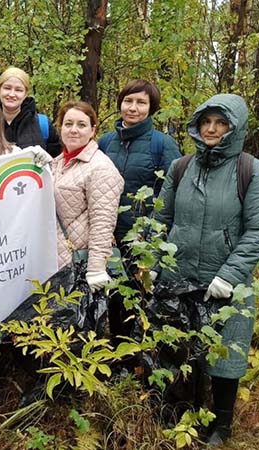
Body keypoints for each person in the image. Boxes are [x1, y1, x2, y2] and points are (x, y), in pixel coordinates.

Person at [154, 94, 259, 446]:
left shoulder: (251, 170)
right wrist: (152, 263)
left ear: (234, 129)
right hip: (177, 279)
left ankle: (221, 426)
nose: (211, 129)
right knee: (177, 348)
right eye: (206, 122)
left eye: (220, 123)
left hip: (227, 283)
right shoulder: (181, 167)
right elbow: (161, 219)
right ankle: (178, 415)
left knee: (227, 353)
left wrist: (229, 275)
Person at [96, 80, 181, 347]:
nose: (133, 108)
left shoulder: (162, 144)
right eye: (128, 101)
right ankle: (112, 349)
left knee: (138, 297)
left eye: (141, 103)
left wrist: (150, 234)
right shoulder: (106, 142)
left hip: (142, 237)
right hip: (106, 234)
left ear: (151, 108)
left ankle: (135, 357)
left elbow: (170, 194)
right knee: (111, 294)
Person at [51, 100, 123, 291]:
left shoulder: (100, 168)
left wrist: (96, 268)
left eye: (81, 125)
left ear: (92, 130)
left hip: (81, 269)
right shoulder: (56, 164)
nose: (74, 130)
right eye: (68, 124)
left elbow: (103, 222)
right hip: (57, 264)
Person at [0, 67, 61, 157]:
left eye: (18, 90)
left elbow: (56, 163)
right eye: (7, 88)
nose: (12, 94)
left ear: (25, 93)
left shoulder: (42, 125)